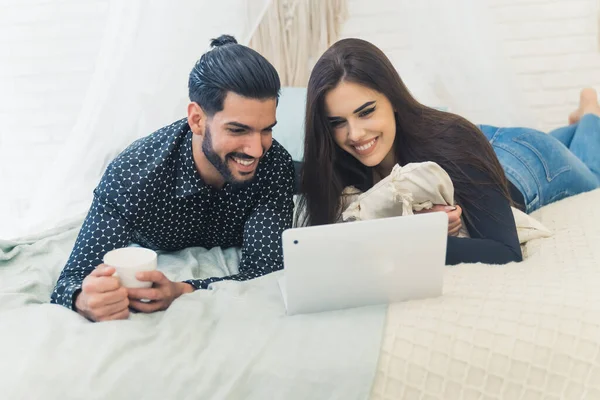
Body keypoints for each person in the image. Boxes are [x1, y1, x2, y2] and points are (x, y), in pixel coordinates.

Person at [51, 35, 295, 322]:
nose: (256, 149)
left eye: (266, 130)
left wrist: (183, 290)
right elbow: (71, 280)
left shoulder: (276, 164)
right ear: (197, 119)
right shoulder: (133, 174)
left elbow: (263, 274)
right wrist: (84, 299)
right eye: (238, 130)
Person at [297, 38, 600, 266]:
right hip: (480, 148)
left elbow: (506, 251)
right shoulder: (338, 159)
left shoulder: (451, 144)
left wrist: (414, 237)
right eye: (338, 122)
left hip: (526, 159)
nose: (355, 135)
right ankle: (574, 125)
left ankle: (590, 112)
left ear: (392, 99)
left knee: (594, 173)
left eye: (366, 112)